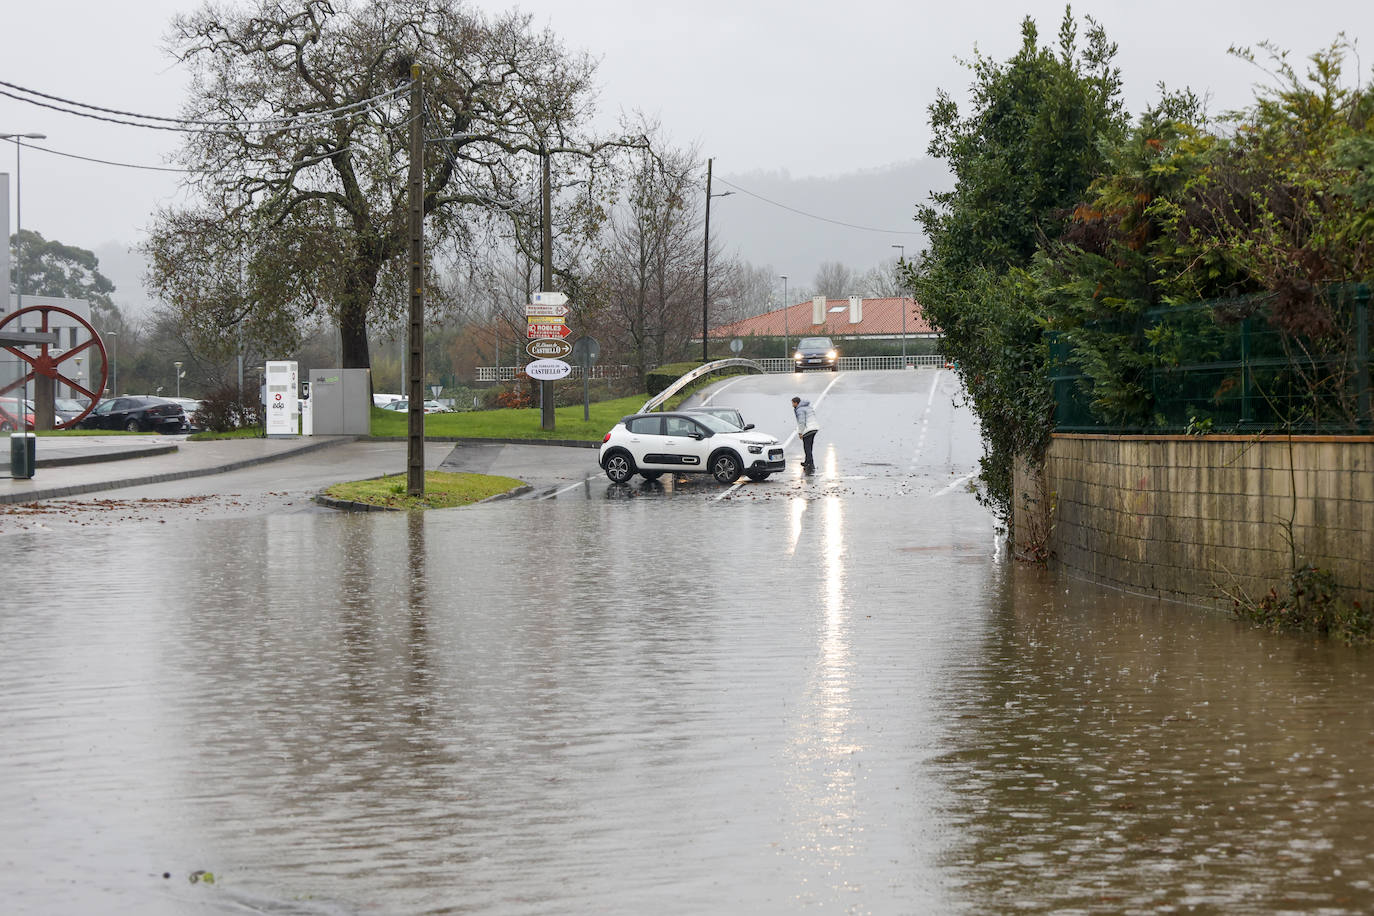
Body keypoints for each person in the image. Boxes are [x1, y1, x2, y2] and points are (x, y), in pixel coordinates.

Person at [792, 396, 819, 471]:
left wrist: (800, 432)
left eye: (793, 403)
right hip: (814, 428)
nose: (792, 405)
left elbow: (802, 422)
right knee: (809, 446)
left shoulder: (800, 410)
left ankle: (811, 463)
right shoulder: (808, 407)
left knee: (807, 447)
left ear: (796, 403)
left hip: (808, 429)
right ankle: (807, 462)